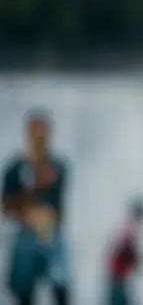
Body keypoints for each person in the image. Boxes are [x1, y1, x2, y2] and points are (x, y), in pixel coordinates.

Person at [1, 109, 71, 305]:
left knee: (60, 284)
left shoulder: (57, 166)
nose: (39, 139)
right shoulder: (15, 168)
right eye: (35, 133)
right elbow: (6, 205)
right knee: (23, 288)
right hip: (25, 235)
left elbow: (55, 195)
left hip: (50, 234)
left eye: (43, 133)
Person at [106, 197, 143, 305]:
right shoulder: (130, 229)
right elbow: (124, 252)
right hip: (118, 275)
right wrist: (136, 260)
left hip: (119, 275)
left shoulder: (130, 228)